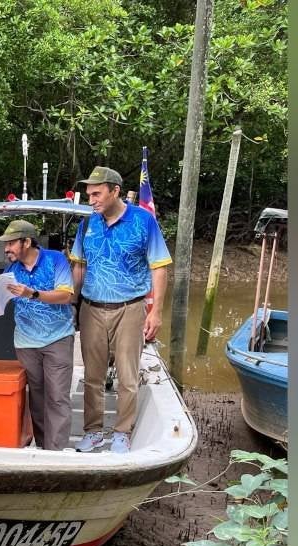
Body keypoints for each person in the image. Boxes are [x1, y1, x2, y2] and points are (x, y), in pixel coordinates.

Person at [70, 166, 172, 453]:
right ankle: (92, 431)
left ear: (115, 191)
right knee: (92, 375)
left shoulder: (143, 221)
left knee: (128, 376)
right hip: (91, 308)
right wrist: (72, 304)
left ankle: (122, 432)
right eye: (89, 194)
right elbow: (79, 266)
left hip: (129, 308)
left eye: (96, 193)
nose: (91, 199)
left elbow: (160, 267)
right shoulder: (87, 225)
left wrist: (156, 312)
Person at [0, 219, 76, 451]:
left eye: (11, 243)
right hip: (25, 341)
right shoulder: (10, 271)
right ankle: (43, 447)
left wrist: (33, 293)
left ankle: (56, 451)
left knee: (58, 397)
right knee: (37, 399)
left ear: (27, 242)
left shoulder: (56, 260)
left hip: (58, 338)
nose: (6, 248)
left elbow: (65, 296)